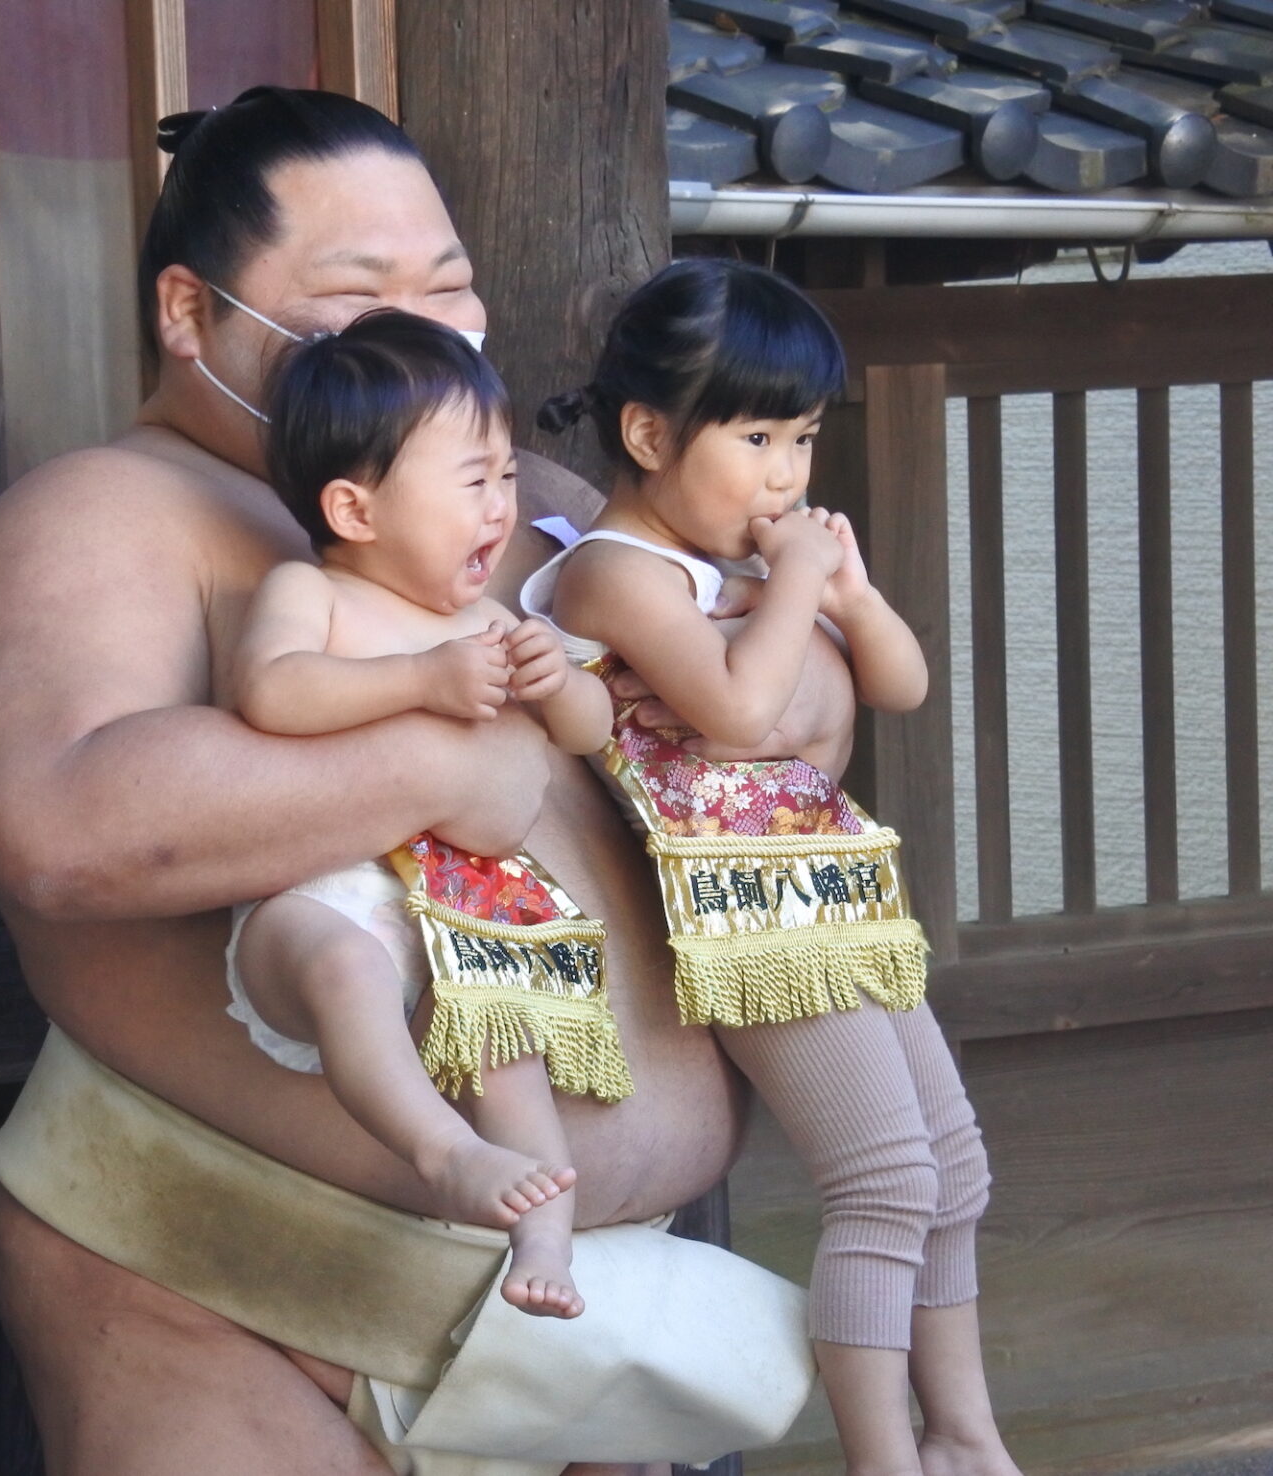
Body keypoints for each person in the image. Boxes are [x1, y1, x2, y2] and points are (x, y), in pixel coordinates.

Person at [0, 87, 857, 1476]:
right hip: (233, 1314)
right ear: (193, 317)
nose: (420, 327)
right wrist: (443, 747)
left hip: (599, 1333)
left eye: (449, 286)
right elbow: (67, 825)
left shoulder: (536, 495)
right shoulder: (114, 514)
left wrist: (781, 683)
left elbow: (804, 709)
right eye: (357, 294)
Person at [528, 257, 1019, 1476]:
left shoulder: (745, 564)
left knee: (954, 1167)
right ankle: (885, 1460)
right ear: (648, 432)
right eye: (756, 437)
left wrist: (845, 587)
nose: (788, 475)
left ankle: (966, 1438)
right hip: (742, 908)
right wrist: (797, 579)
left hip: (835, 882)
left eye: (800, 438)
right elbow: (737, 715)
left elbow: (901, 682)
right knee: (886, 1179)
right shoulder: (611, 572)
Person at [226, 310, 620, 1320]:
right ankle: (440, 1150)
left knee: (507, 1048)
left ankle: (545, 1237)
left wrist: (556, 679)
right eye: (473, 479)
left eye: (506, 475)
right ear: (357, 511)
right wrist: (419, 679)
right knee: (345, 968)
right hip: (329, 890)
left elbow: (588, 727)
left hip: (461, 904)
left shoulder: (492, 618)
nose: (503, 503)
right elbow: (272, 692)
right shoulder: (308, 591)